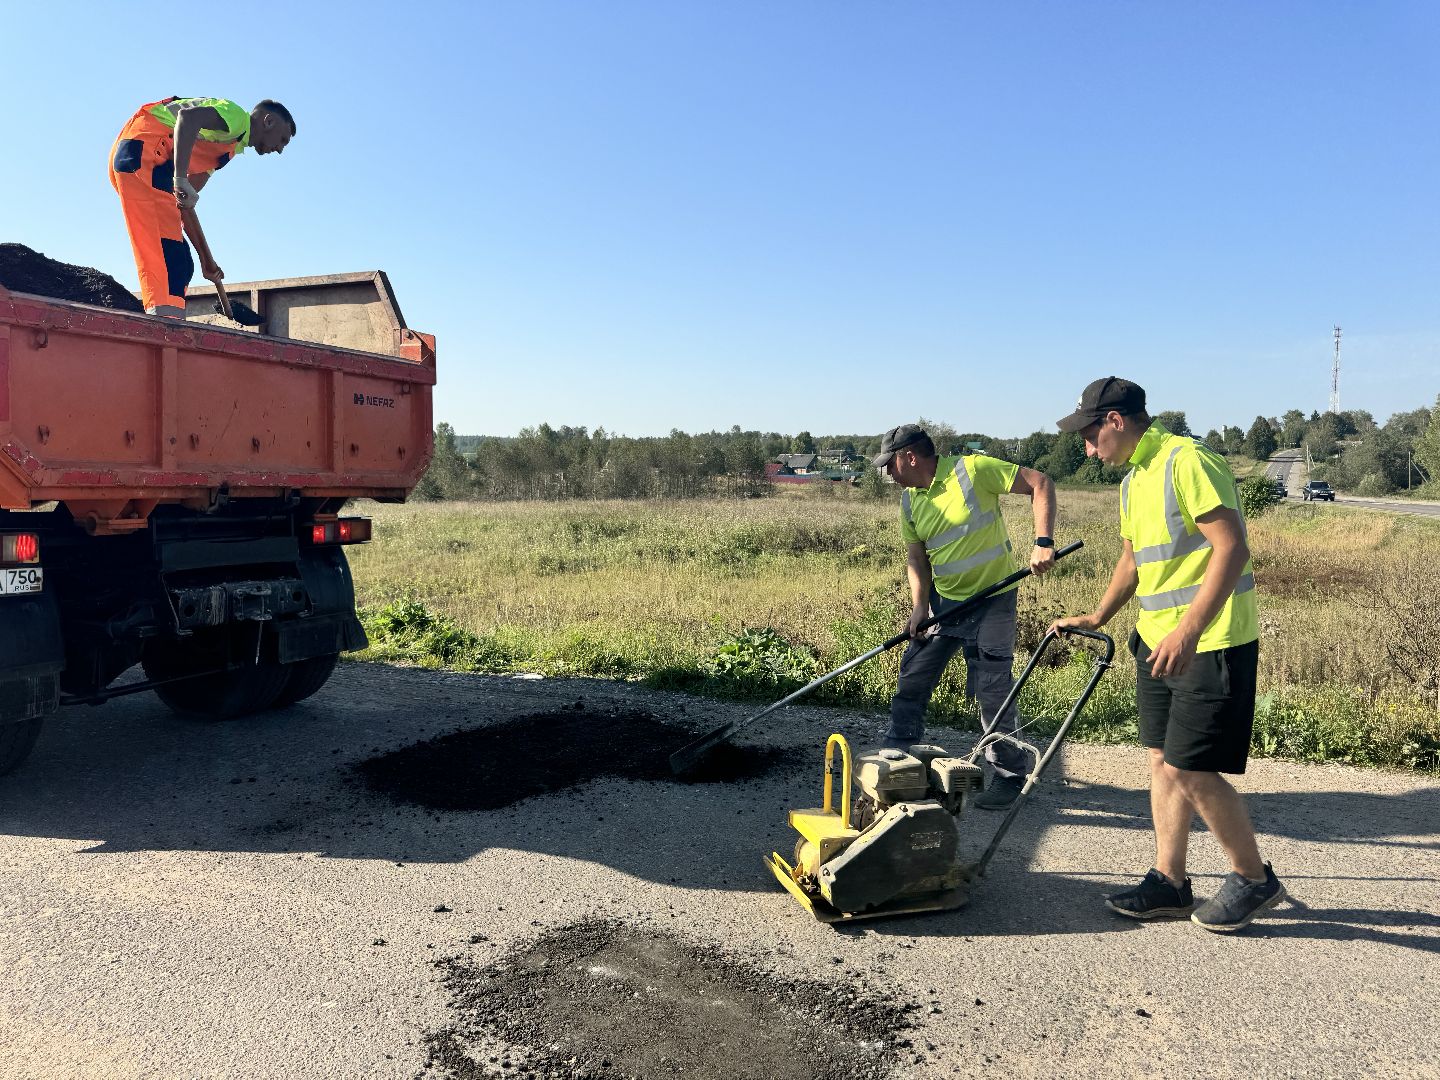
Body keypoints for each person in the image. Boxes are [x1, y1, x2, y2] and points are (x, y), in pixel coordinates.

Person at [1048, 377, 1285, 932]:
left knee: (1192, 768)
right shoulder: (1134, 480)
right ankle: (1170, 883)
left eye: (1088, 434)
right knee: (1160, 759)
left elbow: (1232, 548)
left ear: (1115, 421)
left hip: (1211, 640)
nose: (1086, 447)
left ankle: (1254, 878)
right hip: (1156, 640)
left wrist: (1189, 630)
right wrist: (1100, 615)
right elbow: (1133, 560)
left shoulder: (1188, 460)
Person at [873, 424, 1056, 811]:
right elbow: (917, 559)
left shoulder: (972, 471)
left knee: (992, 688)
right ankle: (897, 756)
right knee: (914, 675)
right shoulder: (910, 501)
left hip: (994, 600)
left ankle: (1009, 775)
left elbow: (1040, 482)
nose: (888, 474)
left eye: (889, 465)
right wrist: (919, 606)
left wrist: (1043, 542)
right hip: (946, 604)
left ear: (909, 456)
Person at [108, 97, 296, 317]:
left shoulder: (223, 152)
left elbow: (184, 204)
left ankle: (167, 321)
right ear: (269, 121)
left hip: (143, 159)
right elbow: (187, 118)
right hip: (146, 152)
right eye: (283, 140)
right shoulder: (236, 118)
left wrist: (206, 260)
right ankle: (165, 326)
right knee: (168, 256)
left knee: (183, 261)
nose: (280, 150)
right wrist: (179, 177)